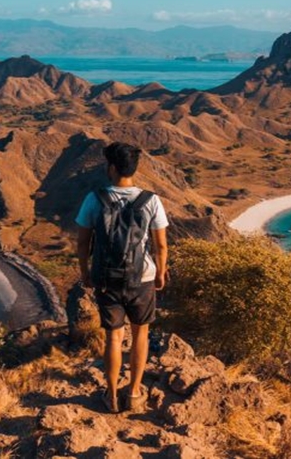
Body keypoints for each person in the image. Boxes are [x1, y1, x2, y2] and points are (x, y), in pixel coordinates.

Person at [75, 142, 169, 413]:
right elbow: (161, 245)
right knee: (141, 334)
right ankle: (135, 392)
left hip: (106, 278)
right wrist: (160, 272)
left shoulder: (95, 198)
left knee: (113, 338)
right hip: (142, 278)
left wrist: (85, 273)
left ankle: (112, 395)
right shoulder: (151, 200)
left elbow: (83, 242)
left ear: (112, 168)